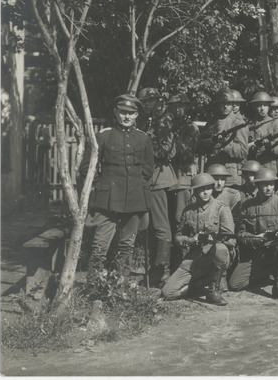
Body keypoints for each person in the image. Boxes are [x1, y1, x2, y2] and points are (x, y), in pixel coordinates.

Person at [79, 94, 154, 284]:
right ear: (115, 112)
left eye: (131, 113)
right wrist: (102, 184)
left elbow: (148, 169)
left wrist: (138, 185)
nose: (127, 117)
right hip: (108, 199)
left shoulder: (143, 139)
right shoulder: (103, 135)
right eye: (123, 112)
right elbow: (86, 167)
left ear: (137, 115)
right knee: (100, 244)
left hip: (135, 198)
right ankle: (94, 285)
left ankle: (120, 285)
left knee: (127, 245)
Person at [162, 173, 235, 305]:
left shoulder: (221, 208)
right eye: (201, 189)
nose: (205, 192)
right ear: (195, 191)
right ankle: (202, 284)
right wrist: (192, 240)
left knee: (220, 248)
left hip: (215, 258)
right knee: (168, 293)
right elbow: (177, 237)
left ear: (212, 188)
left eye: (208, 188)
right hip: (194, 259)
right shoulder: (188, 211)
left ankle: (213, 291)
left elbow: (231, 240)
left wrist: (212, 240)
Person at [228, 168, 278, 300]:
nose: (268, 188)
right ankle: (266, 272)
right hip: (257, 252)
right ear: (257, 185)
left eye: (271, 184)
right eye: (265, 184)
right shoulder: (247, 206)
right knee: (235, 284)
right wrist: (255, 238)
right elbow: (241, 233)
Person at [138, 87, 177, 286]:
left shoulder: (163, 122)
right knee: (148, 227)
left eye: (151, 101)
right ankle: (153, 268)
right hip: (144, 180)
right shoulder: (143, 121)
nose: (148, 105)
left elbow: (169, 152)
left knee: (161, 227)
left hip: (158, 179)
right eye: (145, 101)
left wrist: (145, 148)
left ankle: (164, 270)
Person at [199, 88, 249, 186]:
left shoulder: (238, 123)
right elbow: (200, 146)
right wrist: (212, 141)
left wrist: (225, 144)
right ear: (217, 104)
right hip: (211, 170)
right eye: (222, 103)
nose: (225, 106)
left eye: (228, 103)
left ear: (233, 104)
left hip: (229, 174)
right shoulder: (212, 122)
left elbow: (243, 151)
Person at [166, 94, 199, 222]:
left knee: (180, 215)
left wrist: (170, 140)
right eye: (174, 107)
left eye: (180, 106)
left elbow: (187, 153)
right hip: (169, 175)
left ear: (186, 108)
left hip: (182, 176)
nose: (177, 110)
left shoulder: (190, 127)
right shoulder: (168, 125)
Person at [246, 91, 278, 173]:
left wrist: (269, 145)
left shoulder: (275, 123)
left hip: (269, 167)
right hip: (252, 167)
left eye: (265, 105)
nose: (262, 108)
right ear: (254, 106)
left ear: (269, 106)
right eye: (259, 105)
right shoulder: (250, 125)